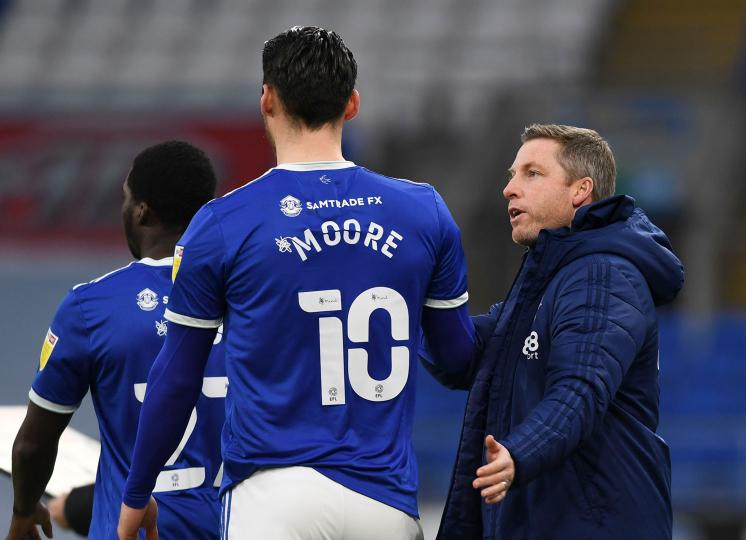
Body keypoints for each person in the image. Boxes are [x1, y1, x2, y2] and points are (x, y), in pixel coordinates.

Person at [118, 26, 474, 540]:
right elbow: (457, 359)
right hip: (386, 501)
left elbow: (175, 379)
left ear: (267, 99)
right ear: (352, 104)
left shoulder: (221, 224)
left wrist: (136, 493)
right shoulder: (424, 211)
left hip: (272, 495)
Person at [428, 124, 684, 539]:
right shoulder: (551, 281)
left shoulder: (602, 275)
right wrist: (424, 296)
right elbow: (464, 357)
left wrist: (518, 454)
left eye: (532, 173)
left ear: (580, 190)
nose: (509, 189)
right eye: (512, 175)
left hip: (594, 525)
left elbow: (580, 390)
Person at [6, 141, 225, 540]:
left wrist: (24, 510)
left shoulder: (91, 307)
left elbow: (32, 446)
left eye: (125, 198)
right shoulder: (251, 300)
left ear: (142, 211)